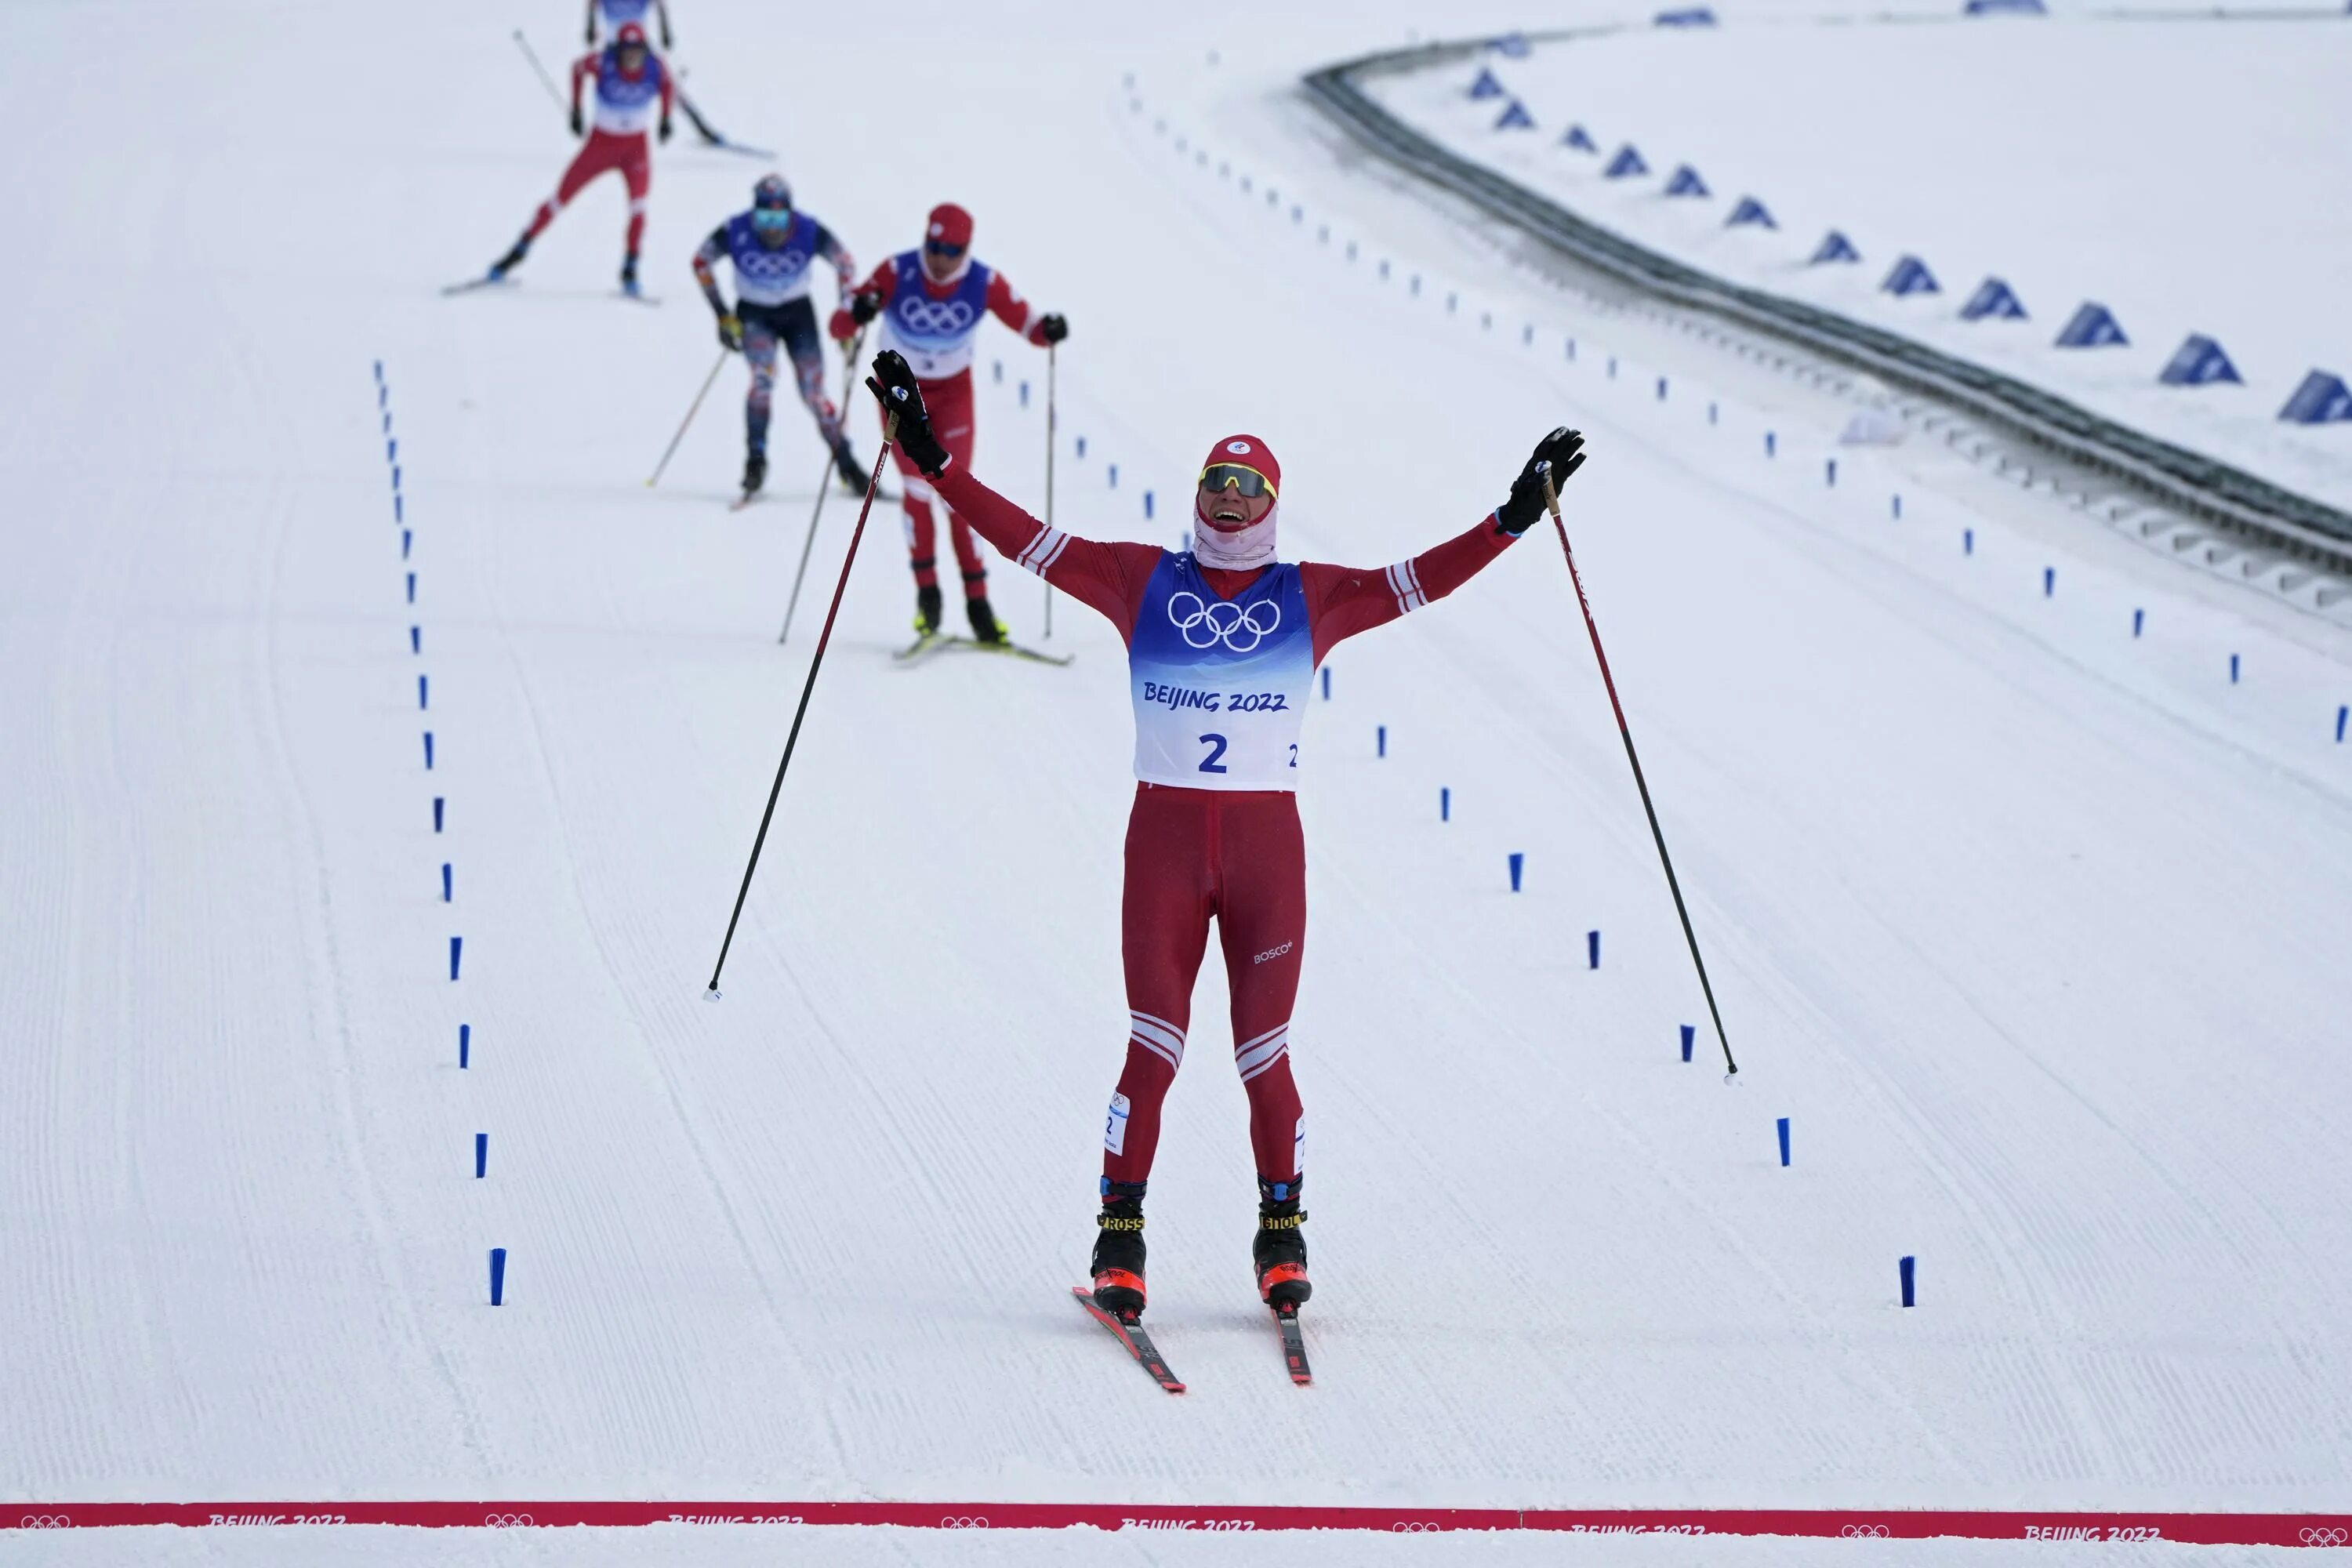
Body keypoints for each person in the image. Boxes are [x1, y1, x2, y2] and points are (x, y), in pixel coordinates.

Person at [863, 348, 1587, 1317]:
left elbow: (1421, 582)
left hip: (1264, 860)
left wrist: (1513, 516)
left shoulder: (1313, 595)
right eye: (1217, 481)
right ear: (1198, 494)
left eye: (1250, 485)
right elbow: (1024, 539)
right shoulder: (1137, 578)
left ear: (1274, 501)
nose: (1232, 499)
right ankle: (1120, 1240)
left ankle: (1280, 1234)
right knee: (1153, 1046)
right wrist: (931, 461)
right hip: (1161, 851)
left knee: (1264, 1055)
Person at [828, 205, 1067, 645]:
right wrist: (860, 309)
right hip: (899, 394)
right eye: (933, 247)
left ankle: (979, 605)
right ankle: (928, 600)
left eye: (950, 251)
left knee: (957, 492)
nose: (939, 259)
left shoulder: (983, 282)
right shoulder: (897, 270)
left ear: (966, 250)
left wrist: (1050, 328)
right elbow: (839, 324)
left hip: (953, 394)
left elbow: (1030, 326)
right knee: (919, 492)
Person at [694, 175, 864, 499]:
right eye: (764, 218)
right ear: (753, 212)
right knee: (762, 381)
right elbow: (701, 261)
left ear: (790, 213)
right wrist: (722, 315)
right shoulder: (735, 230)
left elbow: (845, 263)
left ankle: (847, 463)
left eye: (778, 218)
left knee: (814, 393)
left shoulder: (809, 230)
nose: (772, 227)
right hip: (754, 313)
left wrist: (847, 317)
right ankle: (755, 461)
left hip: (797, 312)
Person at [485, 22, 673, 296]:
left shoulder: (656, 68)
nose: (632, 57)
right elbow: (577, 69)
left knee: (639, 208)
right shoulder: (603, 63)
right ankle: (516, 253)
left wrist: (665, 119)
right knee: (559, 199)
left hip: (635, 149)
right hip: (600, 145)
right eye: (626, 51)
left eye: (637, 51)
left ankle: (630, 270)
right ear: (618, 50)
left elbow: (668, 86)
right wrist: (576, 109)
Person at [586, 0, 671, 49]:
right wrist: (591, 30)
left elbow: (660, 6)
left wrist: (665, 34)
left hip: (639, 41)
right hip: (614, 42)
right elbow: (592, 6)